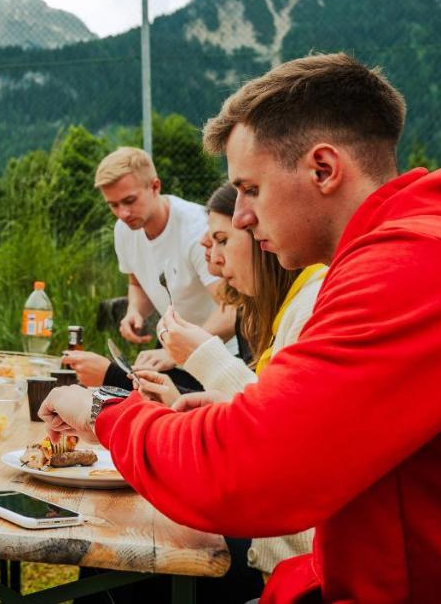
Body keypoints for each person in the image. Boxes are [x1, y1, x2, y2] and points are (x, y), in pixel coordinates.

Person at [42, 53, 441, 603]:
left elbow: (245, 473)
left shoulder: (414, 268)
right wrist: (242, 413)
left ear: (323, 169)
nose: (245, 217)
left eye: (251, 189)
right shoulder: (410, 255)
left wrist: (104, 410)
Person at [137, 182, 324, 582]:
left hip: (286, 553)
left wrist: (203, 355)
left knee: (152, 550)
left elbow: (280, 428)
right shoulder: (272, 311)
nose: (216, 263)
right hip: (272, 536)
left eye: (223, 242)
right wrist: (190, 401)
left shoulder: (312, 304)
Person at [61, 147, 232, 388]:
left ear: (155, 186)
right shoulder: (124, 229)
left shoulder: (197, 231)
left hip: (221, 358)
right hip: (175, 349)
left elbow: (233, 309)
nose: (123, 213)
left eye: (130, 201)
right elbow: (137, 282)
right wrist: (135, 312)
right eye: (113, 205)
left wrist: (179, 352)